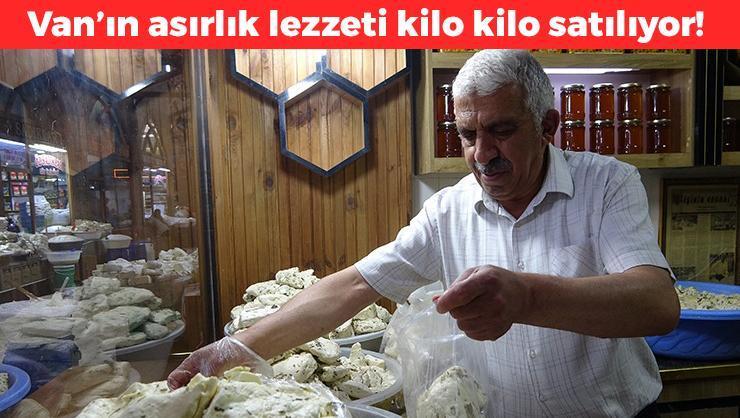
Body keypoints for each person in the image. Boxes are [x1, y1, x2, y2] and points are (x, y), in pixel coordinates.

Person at [169, 50, 679, 416]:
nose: (482, 154)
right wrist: (234, 349)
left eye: (501, 131)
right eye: (467, 135)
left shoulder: (607, 184)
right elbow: (354, 285)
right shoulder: (448, 211)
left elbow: (656, 305)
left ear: (548, 126)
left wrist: (526, 297)